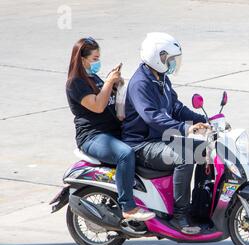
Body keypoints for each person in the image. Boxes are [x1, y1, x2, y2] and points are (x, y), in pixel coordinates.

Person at [122, 32, 209, 234]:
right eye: (169, 59)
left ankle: (200, 206)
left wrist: (202, 120)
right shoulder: (140, 84)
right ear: (157, 57)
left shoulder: (160, 78)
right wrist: (186, 128)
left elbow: (176, 107)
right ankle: (180, 215)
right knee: (186, 155)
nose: (172, 63)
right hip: (142, 144)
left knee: (205, 150)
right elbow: (152, 117)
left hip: (158, 139)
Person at [66, 37, 155, 222]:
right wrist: (108, 82)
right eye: (95, 59)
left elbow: (109, 102)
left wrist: (115, 85)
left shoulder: (94, 78)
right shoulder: (76, 83)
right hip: (93, 136)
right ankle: (128, 207)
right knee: (125, 154)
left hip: (113, 132)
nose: (97, 62)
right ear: (82, 59)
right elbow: (98, 106)